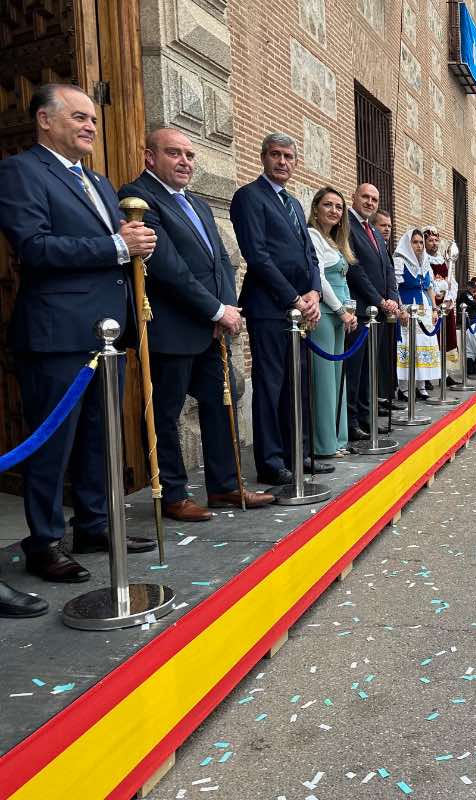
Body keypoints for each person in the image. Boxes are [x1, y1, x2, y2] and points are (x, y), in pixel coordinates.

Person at [0, 83, 157, 585]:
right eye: (79, 116)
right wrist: (116, 246)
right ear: (45, 120)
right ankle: (43, 541)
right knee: (52, 443)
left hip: (106, 333)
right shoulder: (22, 171)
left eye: (93, 118)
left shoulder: (100, 182)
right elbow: (35, 247)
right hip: (57, 334)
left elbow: (113, 246)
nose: (91, 125)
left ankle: (93, 525)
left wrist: (135, 248)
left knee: (98, 438)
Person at [119, 127, 274, 521]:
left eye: (190, 155)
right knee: (165, 412)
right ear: (150, 157)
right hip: (171, 328)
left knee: (221, 400)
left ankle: (224, 486)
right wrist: (214, 309)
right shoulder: (139, 199)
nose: (185, 161)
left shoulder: (198, 204)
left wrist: (227, 307)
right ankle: (172, 493)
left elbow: (222, 259)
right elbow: (168, 267)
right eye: (174, 153)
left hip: (211, 327)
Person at [231, 133, 329, 485]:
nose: (283, 162)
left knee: (297, 385)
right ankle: (272, 462)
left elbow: (310, 255)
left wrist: (315, 293)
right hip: (270, 309)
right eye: (276, 155)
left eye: (289, 156)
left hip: (300, 309)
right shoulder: (248, 198)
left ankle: (298, 454)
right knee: (271, 386)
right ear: (263, 157)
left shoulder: (293, 202)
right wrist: (295, 299)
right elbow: (257, 257)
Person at [306, 187, 358, 458]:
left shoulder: (335, 242)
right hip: (325, 315)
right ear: (316, 208)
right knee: (325, 379)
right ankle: (324, 445)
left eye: (338, 207)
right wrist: (340, 311)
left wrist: (350, 311)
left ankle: (339, 440)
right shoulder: (313, 236)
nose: (334, 211)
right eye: (328, 205)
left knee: (338, 378)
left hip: (341, 316)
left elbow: (343, 281)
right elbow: (321, 280)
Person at [345, 183, 400, 438]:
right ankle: (352, 422)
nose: (369, 202)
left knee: (370, 372)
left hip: (378, 312)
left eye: (374, 199)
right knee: (354, 371)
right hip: (360, 310)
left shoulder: (375, 232)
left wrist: (392, 299)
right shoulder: (347, 226)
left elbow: (387, 268)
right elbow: (355, 269)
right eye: (365, 197)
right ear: (354, 197)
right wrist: (379, 300)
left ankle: (367, 418)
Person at [394, 227, 440, 399]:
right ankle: (404, 388)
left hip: (425, 309)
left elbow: (429, 287)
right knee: (407, 346)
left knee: (423, 347)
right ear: (408, 243)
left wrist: (434, 309)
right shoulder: (400, 260)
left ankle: (421, 386)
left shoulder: (425, 260)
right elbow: (395, 286)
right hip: (408, 307)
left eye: (421, 242)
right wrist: (400, 309)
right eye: (415, 242)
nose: (419, 246)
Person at [425, 226, 460, 385]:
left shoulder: (443, 261)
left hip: (445, 308)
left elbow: (453, 283)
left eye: (436, 240)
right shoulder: (423, 260)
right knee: (431, 341)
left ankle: (444, 374)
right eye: (430, 240)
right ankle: (425, 378)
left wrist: (448, 299)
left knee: (445, 340)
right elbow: (427, 284)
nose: (434, 243)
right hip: (430, 307)